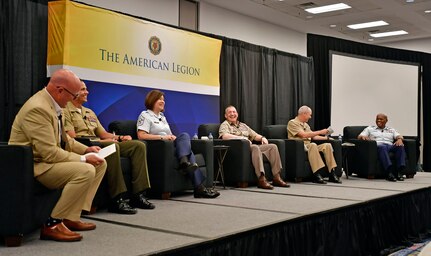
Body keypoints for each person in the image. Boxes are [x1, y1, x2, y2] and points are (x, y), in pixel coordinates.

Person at [8, 69, 107, 242]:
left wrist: (86, 150)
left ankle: (71, 216)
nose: (74, 98)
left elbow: (65, 140)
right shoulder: (38, 108)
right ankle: (52, 224)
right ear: (60, 90)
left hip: (46, 160)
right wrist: (84, 159)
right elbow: (49, 153)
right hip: (34, 165)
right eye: (74, 94)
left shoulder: (54, 104)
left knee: (100, 164)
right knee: (85, 170)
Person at [63, 82, 154, 214]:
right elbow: (73, 137)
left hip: (101, 142)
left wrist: (120, 137)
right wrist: (105, 141)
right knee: (112, 146)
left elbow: (103, 133)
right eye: (83, 90)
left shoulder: (89, 112)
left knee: (138, 145)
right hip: (85, 145)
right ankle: (117, 198)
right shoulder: (66, 111)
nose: (87, 92)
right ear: (74, 92)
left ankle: (138, 194)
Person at [136, 89, 220, 199]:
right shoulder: (145, 115)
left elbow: (170, 134)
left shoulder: (162, 117)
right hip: (159, 148)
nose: (163, 101)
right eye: (159, 99)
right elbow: (141, 135)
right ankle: (199, 187)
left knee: (184, 136)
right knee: (189, 153)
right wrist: (162, 137)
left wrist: (174, 137)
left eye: (163, 99)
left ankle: (184, 162)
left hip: (170, 146)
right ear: (152, 100)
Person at [219, 105, 289, 190]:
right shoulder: (225, 125)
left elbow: (255, 135)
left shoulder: (243, 125)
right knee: (255, 147)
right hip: (240, 150)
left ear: (237, 114)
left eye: (234, 112)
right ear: (226, 115)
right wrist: (242, 138)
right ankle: (261, 178)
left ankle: (276, 177)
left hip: (250, 147)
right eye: (230, 112)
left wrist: (262, 138)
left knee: (272, 147)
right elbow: (224, 136)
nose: (232, 114)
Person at [287, 105, 341, 184]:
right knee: (313, 145)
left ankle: (332, 173)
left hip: (309, 146)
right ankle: (316, 174)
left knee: (327, 145)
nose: (310, 117)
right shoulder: (292, 123)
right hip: (299, 147)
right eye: (310, 114)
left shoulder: (306, 125)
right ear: (304, 113)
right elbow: (303, 135)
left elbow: (314, 136)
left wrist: (327, 138)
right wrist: (320, 131)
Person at [358, 113, 406, 182]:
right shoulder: (370, 128)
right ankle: (389, 172)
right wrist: (363, 137)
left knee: (400, 146)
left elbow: (399, 136)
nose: (378, 121)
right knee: (382, 147)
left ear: (386, 120)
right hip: (377, 146)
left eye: (381, 119)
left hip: (390, 146)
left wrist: (399, 139)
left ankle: (399, 172)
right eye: (377, 119)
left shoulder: (391, 129)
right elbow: (359, 136)